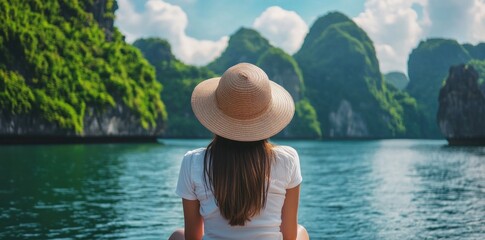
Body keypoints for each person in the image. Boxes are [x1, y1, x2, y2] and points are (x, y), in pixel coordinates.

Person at [170, 63, 309, 240]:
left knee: (177, 236)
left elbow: (193, 237)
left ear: (216, 114)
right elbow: (289, 236)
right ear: (267, 116)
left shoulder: (193, 162)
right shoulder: (287, 159)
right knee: (301, 231)